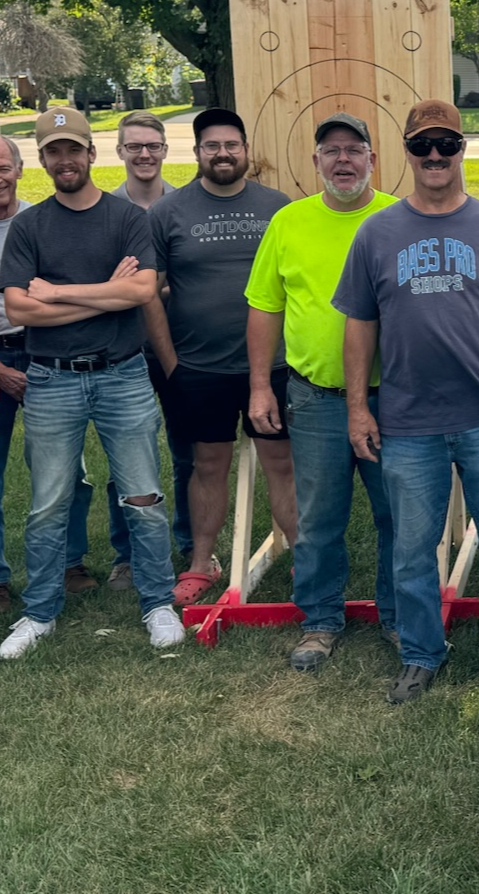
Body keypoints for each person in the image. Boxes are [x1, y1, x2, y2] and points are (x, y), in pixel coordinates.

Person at [335, 99, 479, 705]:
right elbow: (359, 326)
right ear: (405, 152)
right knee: (411, 550)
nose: (434, 156)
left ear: (461, 151)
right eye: (422, 145)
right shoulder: (376, 232)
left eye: (446, 145)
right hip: (408, 423)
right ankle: (421, 652)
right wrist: (357, 406)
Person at [0, 106, 185, 658]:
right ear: (43, 159)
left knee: (143, 498)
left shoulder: (127, 218)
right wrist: (99, 291)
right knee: (49, 503)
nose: (65, 160)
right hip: (51, 380)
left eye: (73, 150)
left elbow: (141, 293)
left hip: (123, 375)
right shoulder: (29, 225)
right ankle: (40, 612)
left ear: (91, 154)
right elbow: (20, 309)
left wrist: (55, 291)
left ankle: (157, 603)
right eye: (54, 152)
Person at [247, 113, 400, 671]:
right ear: (315, 162)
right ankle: (320, 621)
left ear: (372, 160)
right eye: (331, 151)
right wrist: (261, 385)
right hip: (314, 398)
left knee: (398, 515)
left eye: (354, 150)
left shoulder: (398, 218)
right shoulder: (288, 223)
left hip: (393, 399)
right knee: (318, 518)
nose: (343, 160)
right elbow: (265, 307)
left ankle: (399, 616)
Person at [0, 133, 97, 616]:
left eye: (2, 168)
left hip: (48, 353)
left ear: (21, 168)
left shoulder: (41, 223)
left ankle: (70, 562)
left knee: (65, 467)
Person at [143, 108, 293, 607]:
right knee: (206, 464)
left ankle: (308, 562)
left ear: (246, 150)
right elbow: (150, 292)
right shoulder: (168, 212)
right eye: (212, 146)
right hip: (200, 368)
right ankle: (200, 563)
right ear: (198, 152)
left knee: (282, 463)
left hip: (272, 368)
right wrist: (171, 363)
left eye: (232, 144)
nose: (223, 153)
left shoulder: (278, 208)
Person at [104, 108, 191, 593]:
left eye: (152, 146)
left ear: (164, 151)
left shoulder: (183, 207)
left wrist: (142, 288)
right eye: (133, 146)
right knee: (127, 458)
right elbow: (107, 289)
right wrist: (144, 290)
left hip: (179, 347)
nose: (143, 154)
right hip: (124, 350)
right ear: (119, 152)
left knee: (187, 450)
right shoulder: (106, 210)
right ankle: (127, 553)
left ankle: (188, 544)